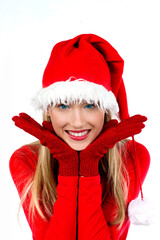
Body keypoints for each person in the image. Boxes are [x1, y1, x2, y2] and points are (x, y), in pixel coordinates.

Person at [10, 33, 150, 240]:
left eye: (90, 105)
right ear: (48, 110)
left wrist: (88, 166)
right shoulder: (26, 159)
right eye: (63, 105)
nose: (77, 122)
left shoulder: (131, 156)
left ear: (106, 110)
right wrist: (68, 166)